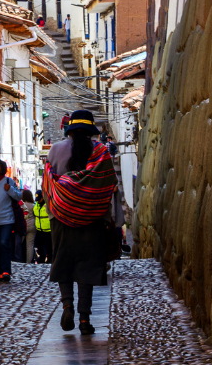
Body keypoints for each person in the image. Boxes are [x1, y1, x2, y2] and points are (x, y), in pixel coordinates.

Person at [45, 110, 124, 336]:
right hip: (92, 220)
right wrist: (110, 216)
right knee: (86, 269)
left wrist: (59, 206)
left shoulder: (55, 150)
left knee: (64, 263)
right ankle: (84, 319)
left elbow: (48, 185)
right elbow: (109, 185)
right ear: (91, 129)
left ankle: (67, 305)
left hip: (60, 219)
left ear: (70, 129)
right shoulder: (100, 152)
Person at [33, 190, 52, 263]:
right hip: (39, 230)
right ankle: (41, 260)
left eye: (40, 199)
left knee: (49, 247)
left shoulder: (47, 205)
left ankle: (50, 261)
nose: (38, 201)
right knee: (39, 247)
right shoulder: (36, 205)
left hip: (48, 230)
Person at [21, 189, 36, 263]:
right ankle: (28, 262)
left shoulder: (21, 205)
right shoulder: (34, 206)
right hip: (32, 226)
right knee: (30, 245)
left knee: (19, 244)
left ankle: (19, 259)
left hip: (23, 226)